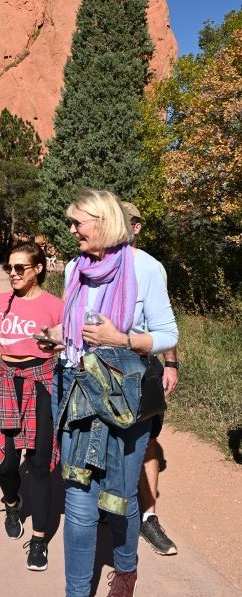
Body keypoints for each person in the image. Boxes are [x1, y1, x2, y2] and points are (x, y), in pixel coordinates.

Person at [51, 190, 178, 597]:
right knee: (80, 506)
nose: (71, 231)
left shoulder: (146, 268)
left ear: (103, 222)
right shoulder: (73, 269)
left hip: (124, 400)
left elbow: (168, 333)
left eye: (77, 222)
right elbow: (74, 331)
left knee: (120, 498)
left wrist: (120, 337)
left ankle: (126, 568)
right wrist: (57, 338)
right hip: (76, 396)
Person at [0, 241, 63, 570]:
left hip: (42, 383)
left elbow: (67, 348)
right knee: (7, 463)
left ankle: (38, 541)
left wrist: (59, 341)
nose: (12, 273)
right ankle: (12, 503)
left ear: (38, 269)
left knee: (38, 465)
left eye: (19, 267)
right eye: (8, 267)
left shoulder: (56, 305)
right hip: (7, 382)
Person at [121, 202, 179, 556]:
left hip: (143, 368)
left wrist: (171, 365)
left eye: (123, 221)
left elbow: (165, 321)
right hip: (102, 369)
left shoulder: (150, 267)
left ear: (137, 227)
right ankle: (107, 508)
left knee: (146, 442)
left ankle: (148, 518)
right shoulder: (92, 264)